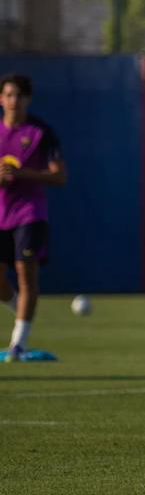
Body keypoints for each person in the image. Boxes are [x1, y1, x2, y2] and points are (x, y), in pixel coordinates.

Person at [0, 73, 65, 362]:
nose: (14, 101)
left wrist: (22, 174)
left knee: (26, 273)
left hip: (29, 213)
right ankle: (23, 312)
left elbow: (60, 175)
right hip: (0, 214)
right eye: (9, 95)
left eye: (20, 95)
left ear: (28, 99)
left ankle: (18, 344)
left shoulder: (40, 132)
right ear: (1, 99)